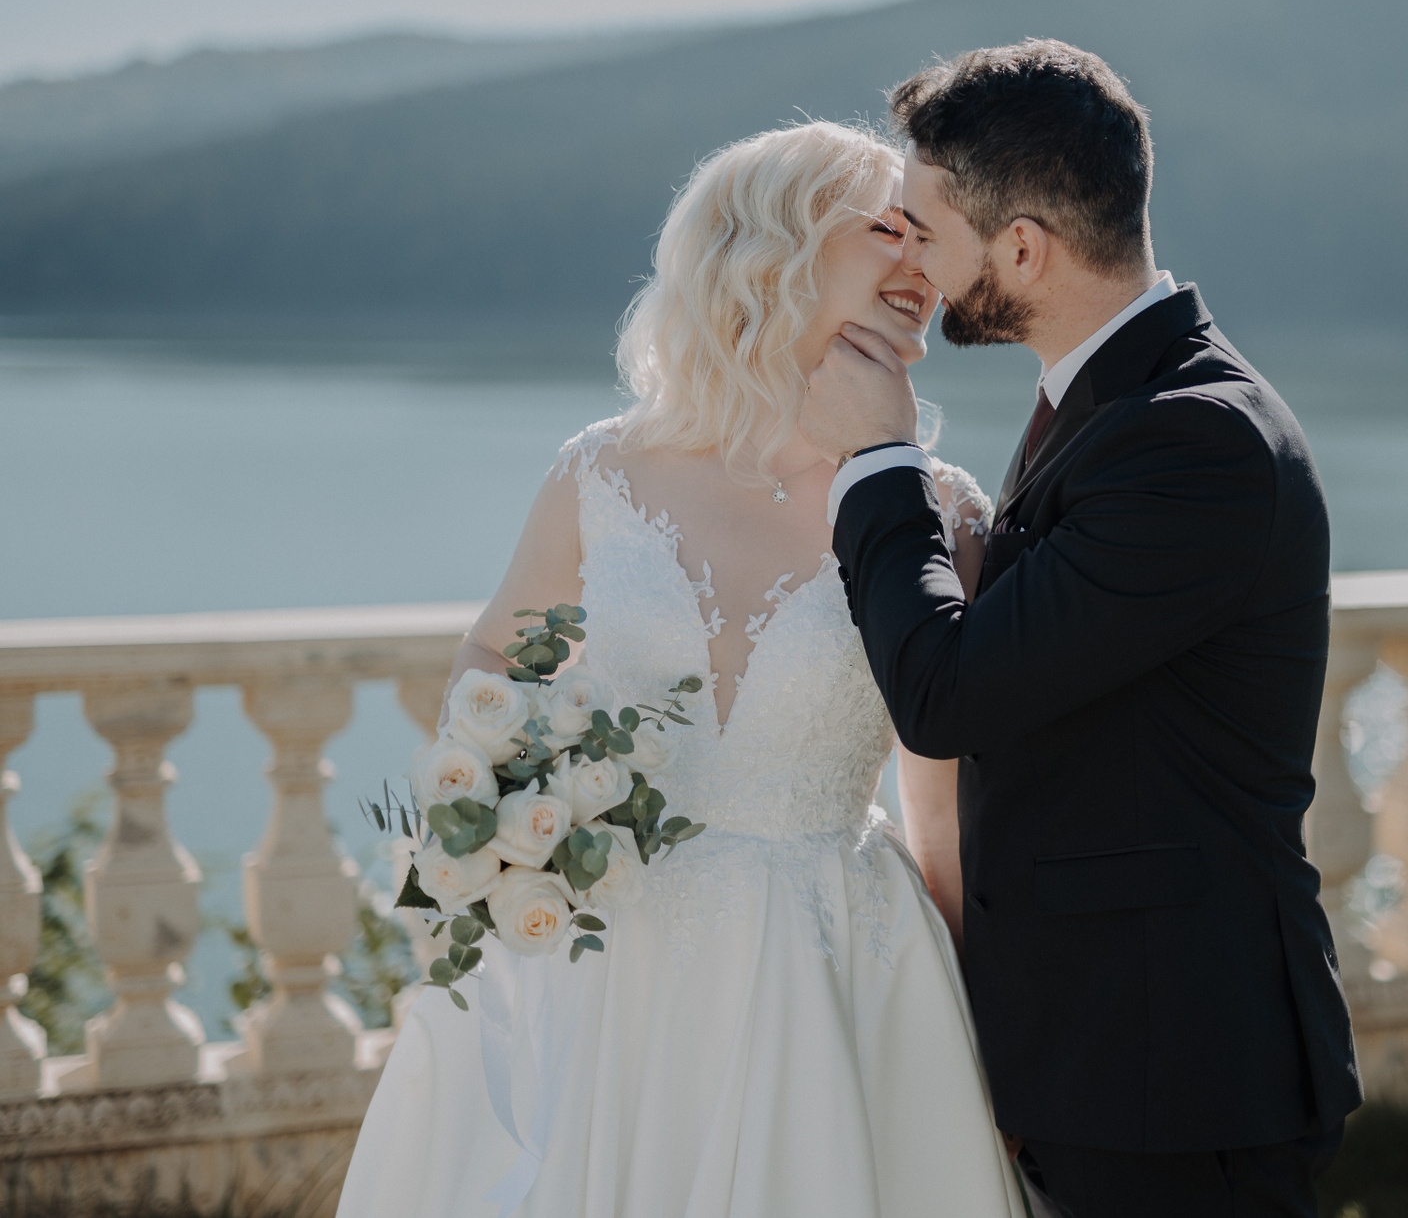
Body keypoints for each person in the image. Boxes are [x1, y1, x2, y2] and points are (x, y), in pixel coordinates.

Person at [335, 121, 1029, 1218]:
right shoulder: (603, 471)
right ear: (776, 249)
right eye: (889, 231)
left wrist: (981, 1006)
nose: (924, 265)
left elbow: (941, 797)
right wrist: (512, 803)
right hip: (616, 956)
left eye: (926, 239)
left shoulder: (939, 511)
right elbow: (496, 650)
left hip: (837, 957)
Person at [800, 39, 1364, 1218]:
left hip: (1176, 1067)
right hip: (1105, 1048)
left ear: (1021, 248)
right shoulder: (1110, 404)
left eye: (924, 228)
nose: (912, 259)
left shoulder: (1193, 439)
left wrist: (878, 456)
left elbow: (946, 694)